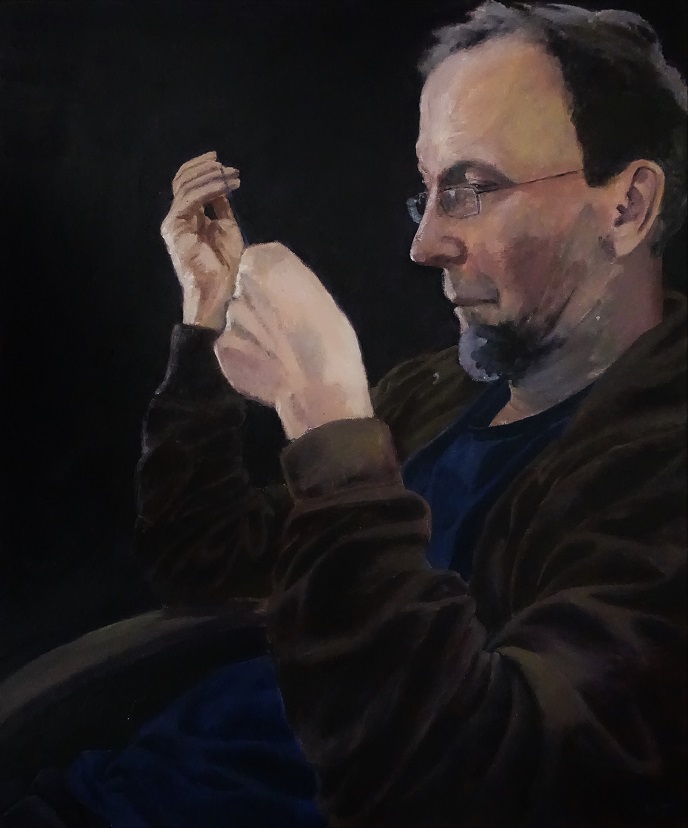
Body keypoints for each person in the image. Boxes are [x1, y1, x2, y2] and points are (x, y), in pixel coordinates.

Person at [2, 2, 684, 827]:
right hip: (119, 790)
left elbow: (474, 779)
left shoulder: (663, 465)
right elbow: (207, 562)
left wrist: (331, 429)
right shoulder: (436, 393)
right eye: (429, 192)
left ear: (628, 207)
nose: (425, 245)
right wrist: (207, 314)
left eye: (473, 189)